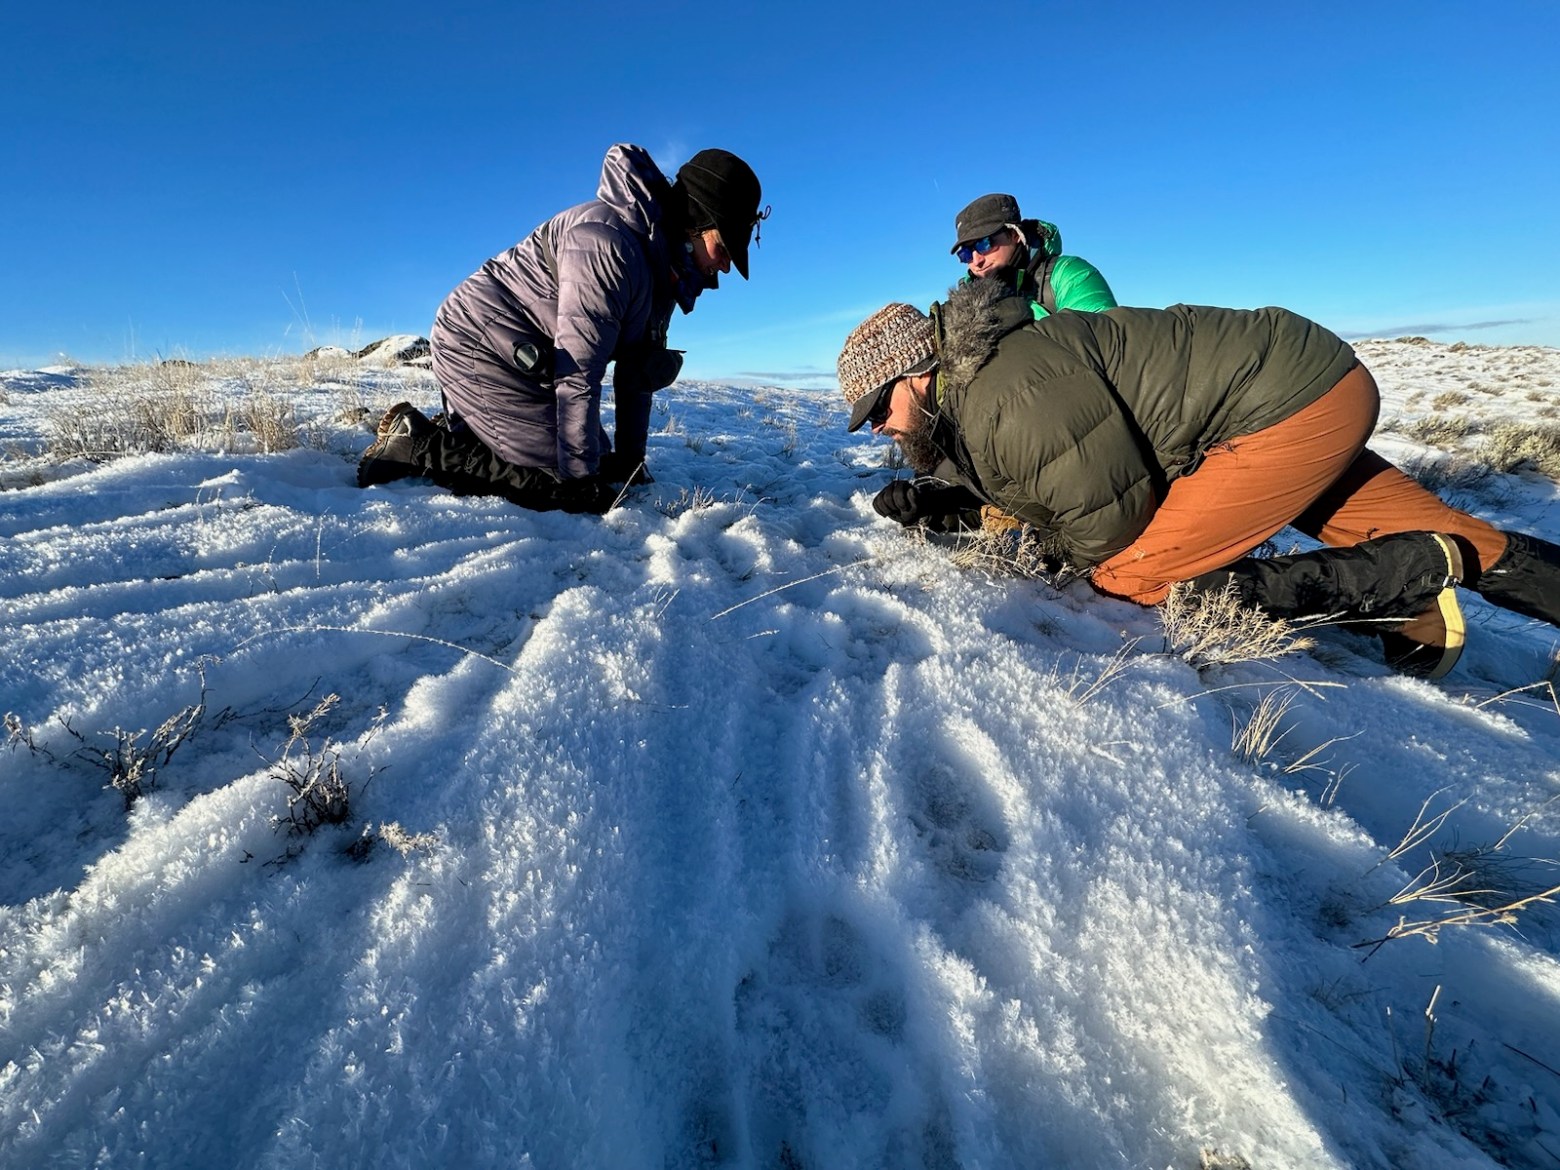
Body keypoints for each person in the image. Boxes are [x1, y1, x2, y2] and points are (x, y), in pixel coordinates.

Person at [836, 287, 1560, 677]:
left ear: (917, 373)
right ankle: (1440, 578)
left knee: (1135, 574)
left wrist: (1044, 553)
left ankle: (1412, 576)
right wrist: (944, 503)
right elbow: (1026, 476)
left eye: (878, 409)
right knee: (1474, 538)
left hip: (1279, 411)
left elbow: (1104, 524)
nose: (876, 428)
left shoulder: (1005, 394)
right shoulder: (982, 387)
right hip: (1312, 382)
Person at [357, 143, 767, 513]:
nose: (725, 266)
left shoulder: (666, 269)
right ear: (697, 220)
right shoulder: (608, 244)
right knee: (562, 478)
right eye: (723, 246)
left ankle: (475, 426)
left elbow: (637, 375)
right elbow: (579, 372)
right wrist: (579, 482)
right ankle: (418, 445)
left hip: (526, 362)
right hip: (477, 345)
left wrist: (630, 464)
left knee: (600, 462)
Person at [950, 192, 1117, 321]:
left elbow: (1101, 342)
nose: (977, 260)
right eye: (965, 254)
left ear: (1015, 235)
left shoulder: (1069, 275)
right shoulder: (962, 306)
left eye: (984, 244)